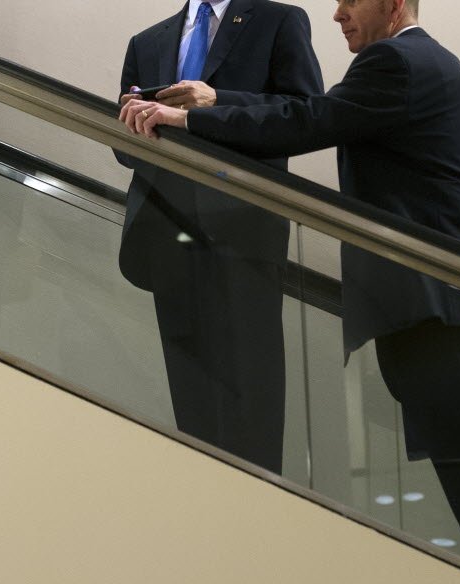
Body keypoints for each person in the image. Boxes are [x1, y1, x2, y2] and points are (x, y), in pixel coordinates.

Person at [120, 0, 460, 581]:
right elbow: (319, 111)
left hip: (446, 317)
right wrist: (220, 99)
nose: (338, 13)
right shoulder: (435, 65)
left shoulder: (395, 62)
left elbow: (310, 120)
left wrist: (192, 118)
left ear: (393, 4)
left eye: (351, 0)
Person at [114, 0, 323, 475]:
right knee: (192, 416)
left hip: (243, 236)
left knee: (252, 410)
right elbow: (124, 152)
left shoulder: (277, 20)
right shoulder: (146, 41)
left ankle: (257, 528)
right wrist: (132, 121)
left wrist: (217, 101)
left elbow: (307, 114)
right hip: (166, 237)